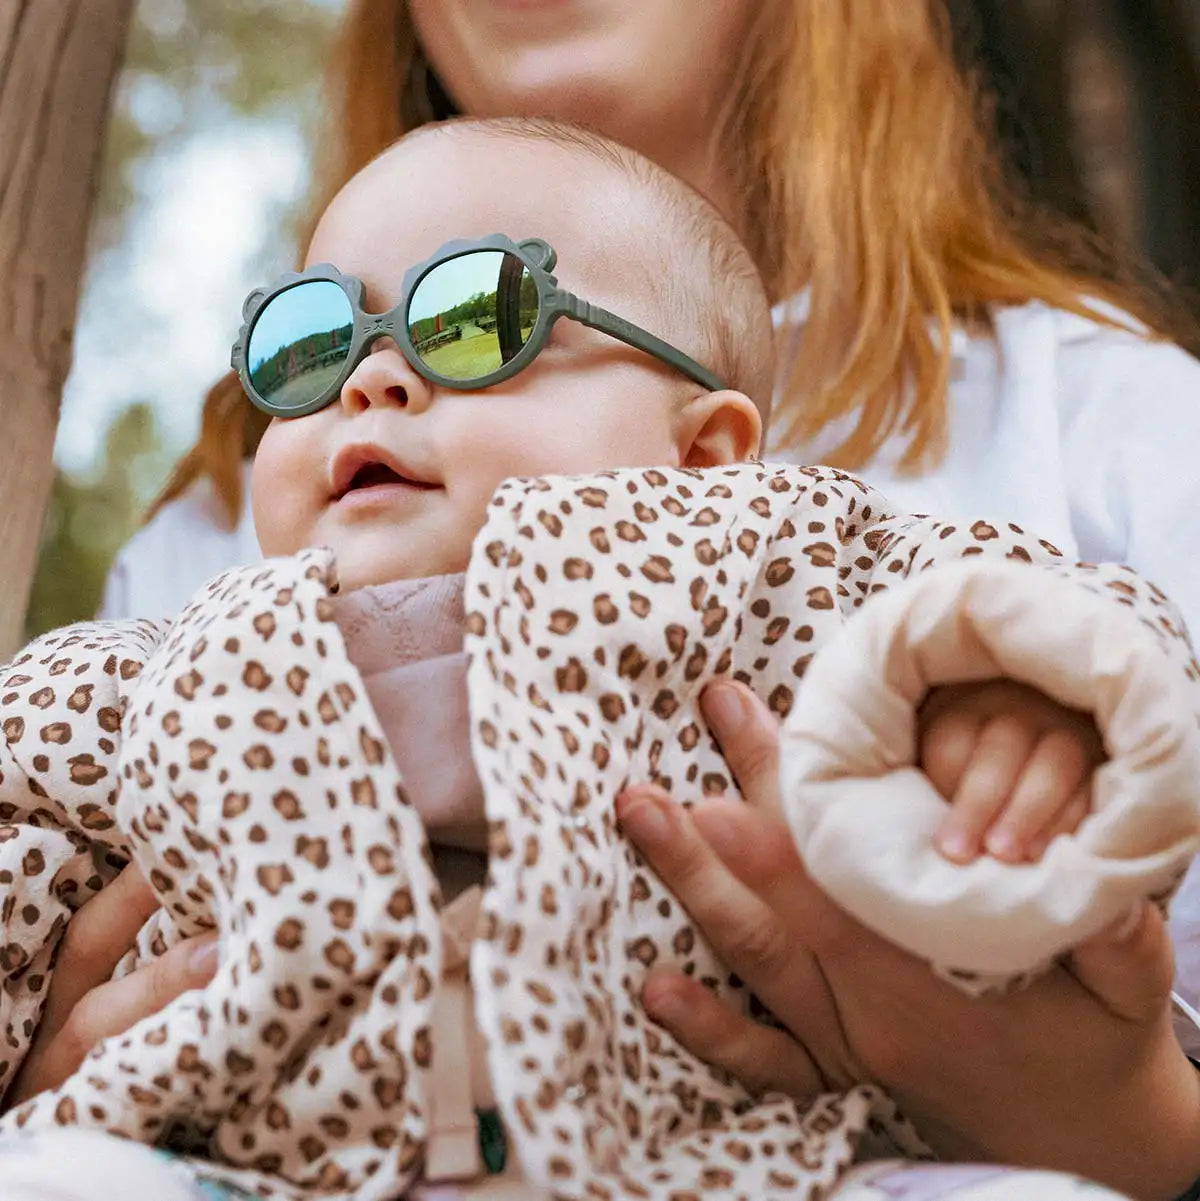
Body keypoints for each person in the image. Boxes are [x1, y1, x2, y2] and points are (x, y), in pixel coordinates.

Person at [3, 119, 1196, 1201]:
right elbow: (23, 815)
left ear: (706, 459)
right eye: (312, 345)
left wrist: (1018, 698)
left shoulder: (789, 580)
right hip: (269, 1171)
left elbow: (1058, 607)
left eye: (474, 319)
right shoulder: (162, 676)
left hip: (727, 1166)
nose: (370, 378)